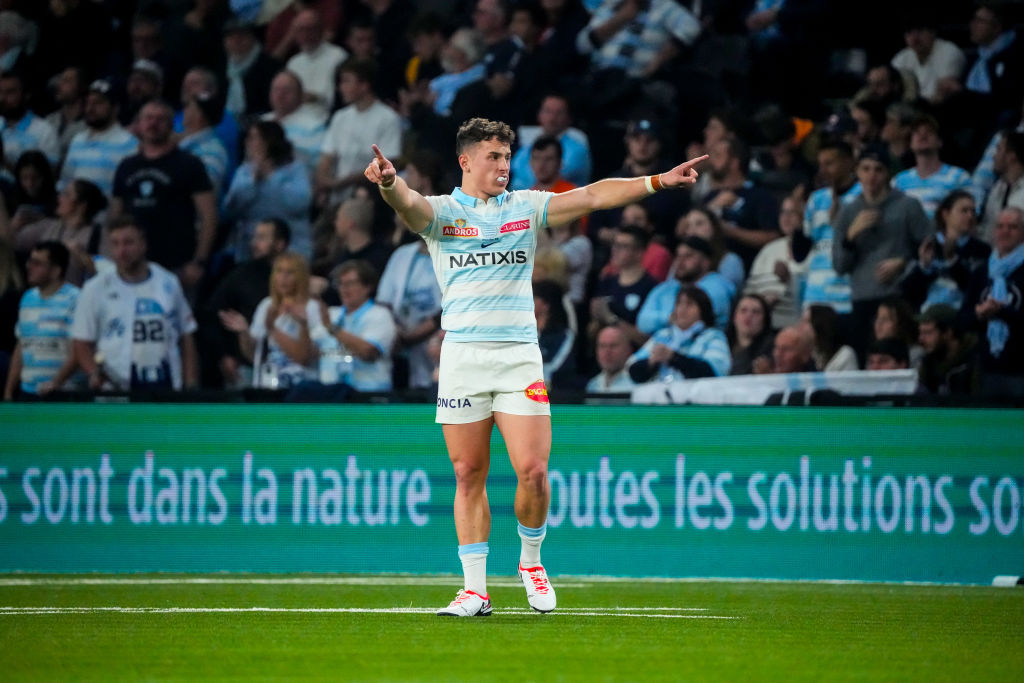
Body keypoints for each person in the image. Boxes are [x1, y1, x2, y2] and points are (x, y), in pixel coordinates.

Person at [364, 117, 706, 616]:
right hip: (462, 359)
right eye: (494, 158)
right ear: (466, 161)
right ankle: (475, 589)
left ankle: (530, 561)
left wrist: (655, 181)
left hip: (518, 357)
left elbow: (591, 197)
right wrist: (391, 183)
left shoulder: (525, 207)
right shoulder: (441, 215)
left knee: (534, 472)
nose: (504, 166)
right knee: (467, 472)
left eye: (507, 157)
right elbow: (408, 203)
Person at [71, 216, 198, 392]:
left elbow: (186, 335)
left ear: (143, 244)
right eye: (115, 244)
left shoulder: (168, 282)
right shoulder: (95, 288)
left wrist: (190, 382)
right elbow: (81, 342)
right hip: (115, 390)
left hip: (166, 386)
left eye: (128, 243)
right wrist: (94, 374)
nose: (121, 251)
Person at [832, 144, 932, 357]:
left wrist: (904, 262)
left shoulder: (907, 205)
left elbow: (931, 249)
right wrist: (850, 237)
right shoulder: (848, 212)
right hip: (862, 300)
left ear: (888, 173)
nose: (871, 176)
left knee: (898, 359)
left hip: (898, 298)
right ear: (857, 172)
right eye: (866, 169)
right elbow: (839, 266)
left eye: (878, 169)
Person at [110, 100, 218, 291]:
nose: (153, 124)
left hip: (176, 266)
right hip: (131, 266)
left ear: (170, 125)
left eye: (160, 119)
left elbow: (209, 216)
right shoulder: (126, 166)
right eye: (148, 118)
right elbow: (114, 217)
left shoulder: (190, 165)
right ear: (139, 124)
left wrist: (199, 261)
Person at [202, 218, 291, 389]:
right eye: (254, 238)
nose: (254, 243)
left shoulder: (300, 276)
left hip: (293, 366)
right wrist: (224, 355)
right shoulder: (241, 275)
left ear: (280, 244)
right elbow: (213, 315)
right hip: (247, 365)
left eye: (262, 238)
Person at [219, 251, 322, 389]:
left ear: (301, 277)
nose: (282, 278)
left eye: (289, 273)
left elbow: (303, 358)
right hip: (269, 387)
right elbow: (254, 356)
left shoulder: (313, 308)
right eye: (279, 272)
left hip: (301, 388)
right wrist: (244, 332)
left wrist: (273, 330)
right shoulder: (266, 305)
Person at [222, 120, 313, 261]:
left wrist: (270, 177)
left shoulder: (295, 169)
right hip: (250, 247)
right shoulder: (245, 171)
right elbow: (232, 208)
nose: (248, 143)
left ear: (269, 141)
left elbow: (299, 203)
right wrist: (252, 181)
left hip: (291, 244)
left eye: (254, 138)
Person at [316, 59, 402, 207]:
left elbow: (388, 165)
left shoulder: (388, 118)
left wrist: (341, 182)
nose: (341, 87)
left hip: (370, 199)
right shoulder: (340, 117)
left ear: (364, 85)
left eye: (347, 81)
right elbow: (327, 157)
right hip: (336, 199)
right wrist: (324, 182)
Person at [958, 207, 1024, 397]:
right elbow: (963, 318)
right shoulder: (982, 272)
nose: (1005, 232)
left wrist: (1002, 311)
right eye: (1000, 226)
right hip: (987, 368)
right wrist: (980, 314)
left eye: (1012, 227)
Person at [3, 241, 80, 400]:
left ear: (56, 271)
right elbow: (21, 347)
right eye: (30, 261)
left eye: (37, 263)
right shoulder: (27, 298)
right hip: (28, 392)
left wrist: (55, 383)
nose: (28, 266)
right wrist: (9, 391)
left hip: (64, 393)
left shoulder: (76, 299)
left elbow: (79, 349)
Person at [902, 189, 991, 312]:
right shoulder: (926, 246)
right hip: (926, 316)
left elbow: (978, 289)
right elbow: (907, 290)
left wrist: (952, 261)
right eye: (964, 211)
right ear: (945, 215)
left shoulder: (982, 250)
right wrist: (924, 266)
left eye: (973, 211)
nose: (970, 216)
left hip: (961, 316)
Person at [801, 139, 860, 317]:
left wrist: (838, 222)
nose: (823, 171)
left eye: (829, 164)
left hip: (847, 294)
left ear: (849, 162)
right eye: (820, 164)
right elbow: (804, 247)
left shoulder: (863, 196)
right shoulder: (816, 199)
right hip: (815, 294)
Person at [318, 259, 397, 392]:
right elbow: (309, 354)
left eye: (350, 283)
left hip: (367, 396)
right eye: (340, 284)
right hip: (330, 396)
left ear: (368, 286)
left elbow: (368, 352)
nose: (344, 289)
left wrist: (333, 329)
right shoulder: (331, 314)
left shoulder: (380, 315)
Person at [627, 285, 731, 383]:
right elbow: (631, 369)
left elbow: (716, 372)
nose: (682, 309)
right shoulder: (664, 335)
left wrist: (674, 358)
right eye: (679, 303)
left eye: (689, 304)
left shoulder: (713, 336)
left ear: (703, 310)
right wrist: (651, 363)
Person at [13, 179, 106, 287]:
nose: (59, 198)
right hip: (43, 296)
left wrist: (82, 256)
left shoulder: (99, 234)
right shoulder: (47, 226)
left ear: (82, 205)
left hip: (77, 296)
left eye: (66, 194)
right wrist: (14, 224)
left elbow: (109, 271)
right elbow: (13, 242)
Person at [636, 235, 735, 335]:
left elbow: (692, 321)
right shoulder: (665, 288)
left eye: (688, 256)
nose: (680, 261)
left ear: (705, 262)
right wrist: (670, 317)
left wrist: (665, 319)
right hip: (663, 343)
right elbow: (642, 322)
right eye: (678, 256)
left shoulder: (717, 287)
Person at [59, 78, 138, 197]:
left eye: (98, 103)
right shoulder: (78, 140)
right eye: (88, 103)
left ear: (115, 108)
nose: (90, 109)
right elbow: (66, 182)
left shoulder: (129, 143)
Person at [890, 115, 975, 218]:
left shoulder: (959, 177)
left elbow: (971, 213)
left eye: (929, 131)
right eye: (917, 132)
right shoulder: (898, 181)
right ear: (910, 143)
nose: (923, 135)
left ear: (940, 141)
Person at [744, 196, 805, 329]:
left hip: (794, 326)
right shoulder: (768, 250)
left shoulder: (812, 250)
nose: (786, 217)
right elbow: (749, 292)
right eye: (783, 212)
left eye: (792, 212)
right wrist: (763, 302)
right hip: (762, 325)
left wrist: (789, 279)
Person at [511, 93, 592, 189]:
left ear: (569, 118)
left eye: (559, 113)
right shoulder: (528, 146)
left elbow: (547, 177)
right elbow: (511, 169)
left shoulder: (578, 150)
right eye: (548, 111)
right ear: (539, 115)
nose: (552, 118)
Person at [261, 70, 327, 182]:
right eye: (276, 89)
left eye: (286, 90)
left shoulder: (314, 126)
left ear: (300, 94)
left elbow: (317, 165)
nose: (280, 95)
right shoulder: (262, 122)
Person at [284, 8, 349, 118]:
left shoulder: (338, 56)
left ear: (321, 30)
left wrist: (314, 97)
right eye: (301, 29)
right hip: (296, 117)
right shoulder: (293, 62)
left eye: (310, 29)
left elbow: (340, 98)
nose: (305, 34)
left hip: (325, 116)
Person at [890, 17, 965, 104]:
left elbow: (942, 97)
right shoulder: (902, 56)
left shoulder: (950, 52)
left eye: (920, 31)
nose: (914, 38)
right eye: (909, 32)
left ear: (932, 32)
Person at [0, 70, 60, 169]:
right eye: (0, 92)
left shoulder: (44, 131)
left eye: (10, 92)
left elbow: (48, 176)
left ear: (26, 95)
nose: (2, 98)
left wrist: (4, 161)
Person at [917, 303, 977, 395]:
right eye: (921, 332)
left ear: (948, 332)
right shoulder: (928, 362)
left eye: (928, 332)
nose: (921, 339)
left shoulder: (973, 361)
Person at [979, 131, 1024, 243]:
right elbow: (988, 229)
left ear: (1011, 156)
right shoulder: (997, 188)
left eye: (999, 149)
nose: (994, 156)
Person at [725, 293, 774, 376]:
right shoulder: (722, 344)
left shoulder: (771, 350)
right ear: (734, 316)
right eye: (743, 310)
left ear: (765, 319)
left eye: (756, 312)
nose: (749, 316)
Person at [803, 304, 858, 372]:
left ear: (820, 324)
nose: (801, 326)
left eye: (806, 322)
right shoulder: (807, 354)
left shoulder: (845, 355)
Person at [873, 296, 924, 370]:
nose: (879, 324)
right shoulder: (873, 355)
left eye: (885, 319)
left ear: (901, 324)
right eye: (878, 318)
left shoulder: (915, 354)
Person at [585, 323, 636, 393]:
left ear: (628, 350)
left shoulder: (637, 384)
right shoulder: (592, 385)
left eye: (613, 346)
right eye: (602, 346)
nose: (607, 351)